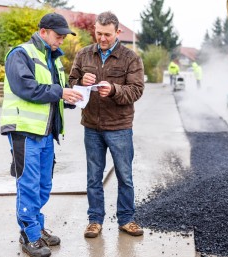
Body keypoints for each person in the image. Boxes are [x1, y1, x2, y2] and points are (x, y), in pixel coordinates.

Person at [0, 13, 83, 257]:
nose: (61, 41)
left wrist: (73, 95)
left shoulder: (53, 59)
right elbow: (26, 88)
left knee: (43, 185)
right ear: (43, 31)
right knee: (28, 184)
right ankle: (29, 235)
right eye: (58, 36)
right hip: (25, 131)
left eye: (63, 36)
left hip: (46, 133)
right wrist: (60, 93)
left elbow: (55, 94)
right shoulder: (21, 54)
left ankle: (37, 226)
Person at [68, 11, 145, 239]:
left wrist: (113, 90)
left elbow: (136, 90)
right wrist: (80, 81)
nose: (102, 38)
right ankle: (94, 221)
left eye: (107, 35)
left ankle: (127, 219)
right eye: (99, 33)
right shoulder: (83, 55)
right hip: (91, 127)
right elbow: (71, 82)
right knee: (93, 176)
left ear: (117, 32)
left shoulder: (130, 58)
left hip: (120, 127)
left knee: (125, 176)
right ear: (95, 30)